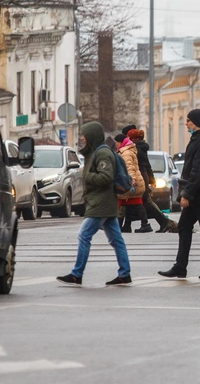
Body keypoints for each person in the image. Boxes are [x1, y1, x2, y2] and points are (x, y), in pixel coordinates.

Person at [57, 121, 132, 286]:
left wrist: (88, 176)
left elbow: (106, 177)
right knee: (116, 240)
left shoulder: (103, 153)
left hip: (101, 204)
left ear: (92, 136)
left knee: (84, 235)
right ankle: (124, 273)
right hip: (103, 202)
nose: (82, 138)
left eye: (84, 135)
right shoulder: (94, 152)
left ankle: (77, 274)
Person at [158, 109, 200, 281]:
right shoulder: (198, 139)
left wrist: (187, 194)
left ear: (196, 122)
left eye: (188, 120)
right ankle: (180, 267)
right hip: (198, 194)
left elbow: (199, 171)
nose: (186, 123)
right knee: (183, 227)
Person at [123, 126, 177, 233]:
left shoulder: (136, 148)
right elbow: (147, 165)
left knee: (143, 201)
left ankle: (162, 222)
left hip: (140, 176)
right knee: (134, 200)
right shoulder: (140, 147)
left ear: (132, 139)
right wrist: (151, 179)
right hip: (143, 176)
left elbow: (139, 165)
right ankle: (128, 225)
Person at [114, 133, 148, 233]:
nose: (115, 145)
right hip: (133, 180)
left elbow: (129, 168)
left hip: (131, 181)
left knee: (130, 203)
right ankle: (126, 226)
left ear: (120, 142)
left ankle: (144, 224)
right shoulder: (127, 151)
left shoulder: (126, 153)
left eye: (116, 142)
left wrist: (132, 180)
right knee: (128, 203)